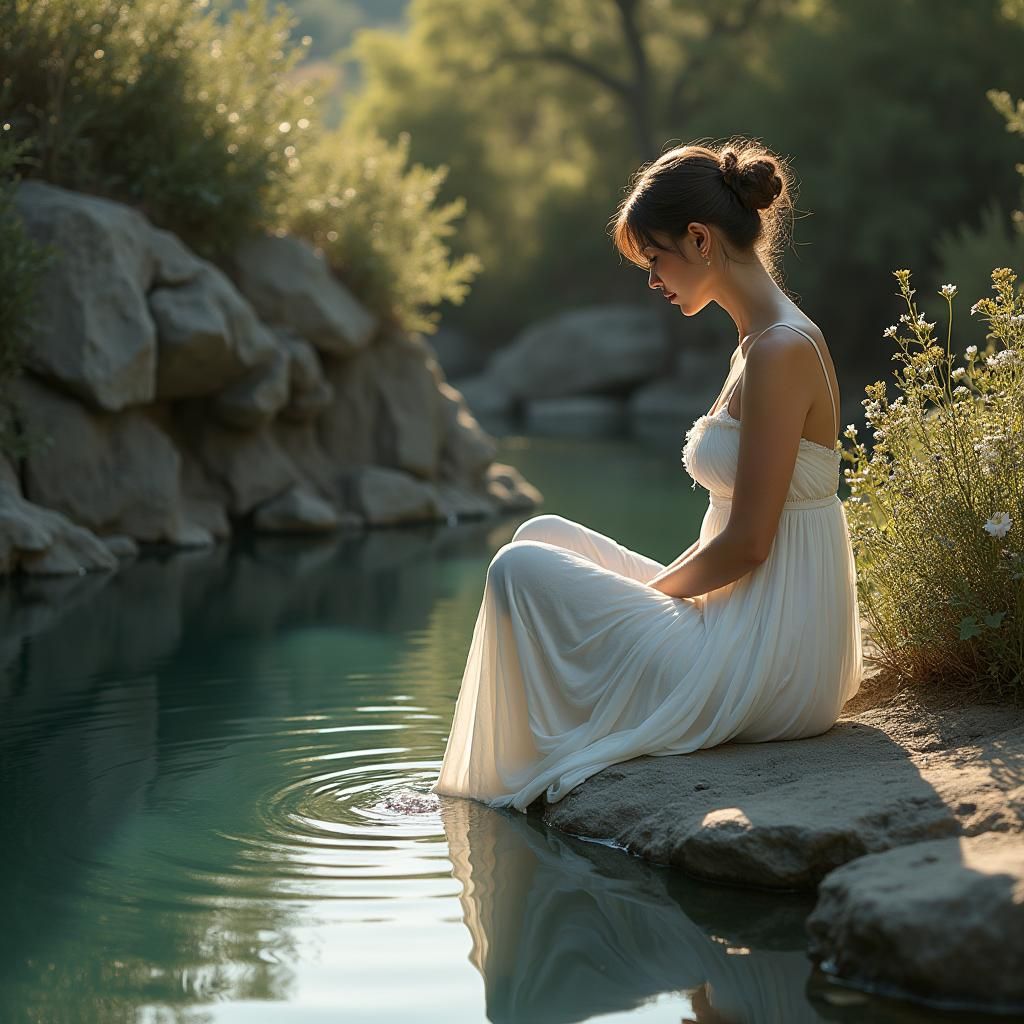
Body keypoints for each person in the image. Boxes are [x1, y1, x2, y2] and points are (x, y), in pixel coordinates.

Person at [430, 138, 863, 813]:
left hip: (775, 662)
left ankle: (510, 776)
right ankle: (534, 753)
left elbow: (749, 542)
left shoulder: (780, 349)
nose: (653, 280)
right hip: (750, 626)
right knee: (540, 534)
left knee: (514, 572)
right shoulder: (757, 342)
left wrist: (654, 599)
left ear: (699, 239)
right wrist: (654, 602)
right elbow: (736, 536)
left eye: (655, 259)